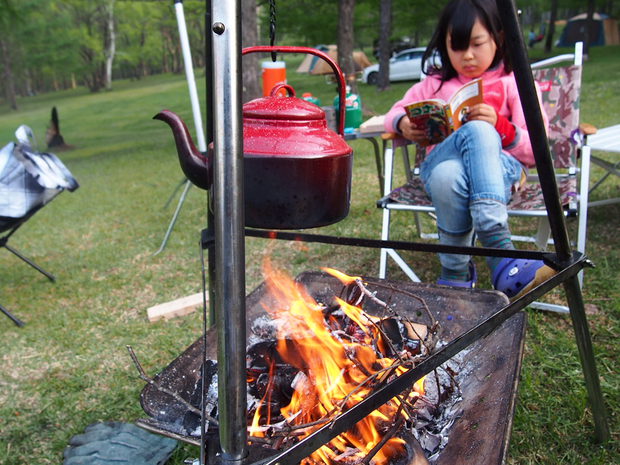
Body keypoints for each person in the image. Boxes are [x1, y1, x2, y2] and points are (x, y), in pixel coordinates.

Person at [384, 0, 555, 299]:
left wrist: (502, 127)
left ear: (498, 37)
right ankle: (499, 248)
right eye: (457, 46)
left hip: (500, 168)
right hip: (440, 158)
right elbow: (393, 112)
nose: (468, 56)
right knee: (456, 156)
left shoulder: (514, 82)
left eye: (477, 44)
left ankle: (455, 271)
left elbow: (536, 151)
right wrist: (402, 124)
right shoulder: (436, 83)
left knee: (452, 171)